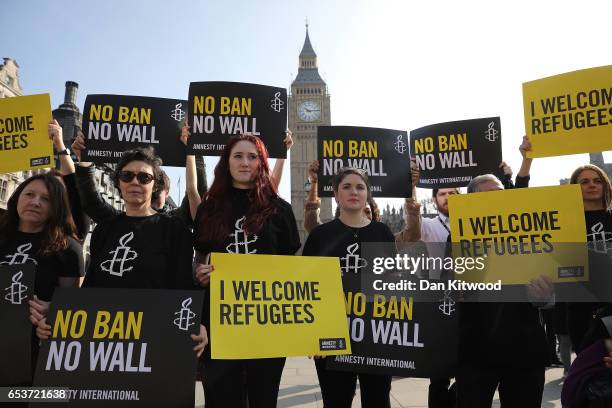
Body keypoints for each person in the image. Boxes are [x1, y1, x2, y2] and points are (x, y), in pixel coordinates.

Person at [36, 147, 207, 355]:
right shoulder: (106, 229)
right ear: (118, 182)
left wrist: (198, 322)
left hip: (156, 338)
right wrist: (61, 317)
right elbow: (90, 287)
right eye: (127, 176)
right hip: (106, 343)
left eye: (144, 177)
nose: (135, 182)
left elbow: (184, 285)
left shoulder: (174, 229)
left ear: (155, 185)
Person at [193, 134, 301, 408]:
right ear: (226, 163)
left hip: (267, 327)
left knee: (263, 400)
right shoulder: (209, 208)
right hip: (219, 324)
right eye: (238, 156)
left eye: (253, 157)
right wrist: (200, 274)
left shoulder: (279, 209)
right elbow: (198, 259)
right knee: (221, 401)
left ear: (262, 163)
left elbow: (291, 270)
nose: (245, 163)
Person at [455, 173, 552, 408]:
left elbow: (550, 289)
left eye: (501, 194)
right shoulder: (458, 237)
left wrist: (544, 297)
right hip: (476, 351)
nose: (499, 199)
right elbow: (453, 288)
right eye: (490, 195)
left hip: (524, 350)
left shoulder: (530, 235)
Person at [302, 167, 396, 408]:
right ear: (335, 195)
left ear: (367, 195)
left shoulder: (382, 233)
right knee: (336, 401)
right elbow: (307, 288)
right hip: (331, 336)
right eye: (346, 187)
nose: (354, 192)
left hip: (375, 335)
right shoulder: (320, 235)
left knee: (378, 401)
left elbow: (392, 282)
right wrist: (312, 335)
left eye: (360, 187)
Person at [0, 173, 84, 384]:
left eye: (46, 199)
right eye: (29, 194)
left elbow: (72, 306)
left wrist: (52, 310)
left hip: (32, 354)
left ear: (57, 207)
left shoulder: (68, 249)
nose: (35, 202)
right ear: (17, 197)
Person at [567, 164, 612, 354]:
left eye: (597, 181)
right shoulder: (565, 223)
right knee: (589, 367)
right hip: (581, 305)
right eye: (584, 182)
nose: (592, 185)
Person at [303, 160, 381, 233]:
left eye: (367, 212)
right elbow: (312, 222)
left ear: (374, 216)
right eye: (347, 187)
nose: (362, 215)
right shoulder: (331, 236)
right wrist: (315, 181)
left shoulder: (379, 238)